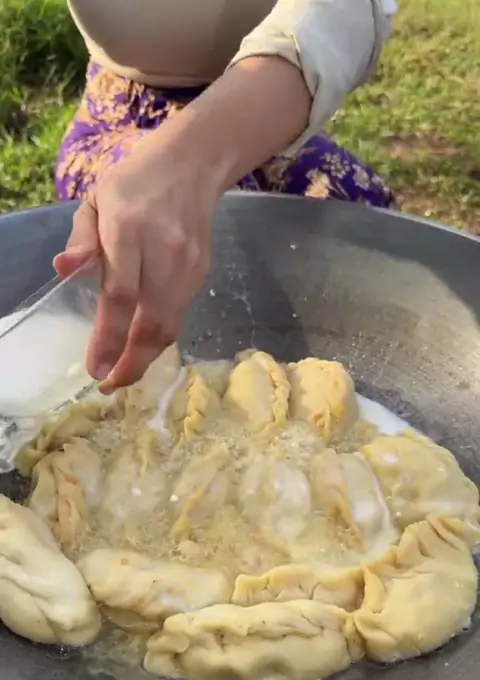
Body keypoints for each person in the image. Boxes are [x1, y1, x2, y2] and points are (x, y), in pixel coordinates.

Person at [54, 0, 397, 392]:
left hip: (268, 109)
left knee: (362, 216)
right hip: (122, 116)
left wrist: (192, 157)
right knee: (207, 242)